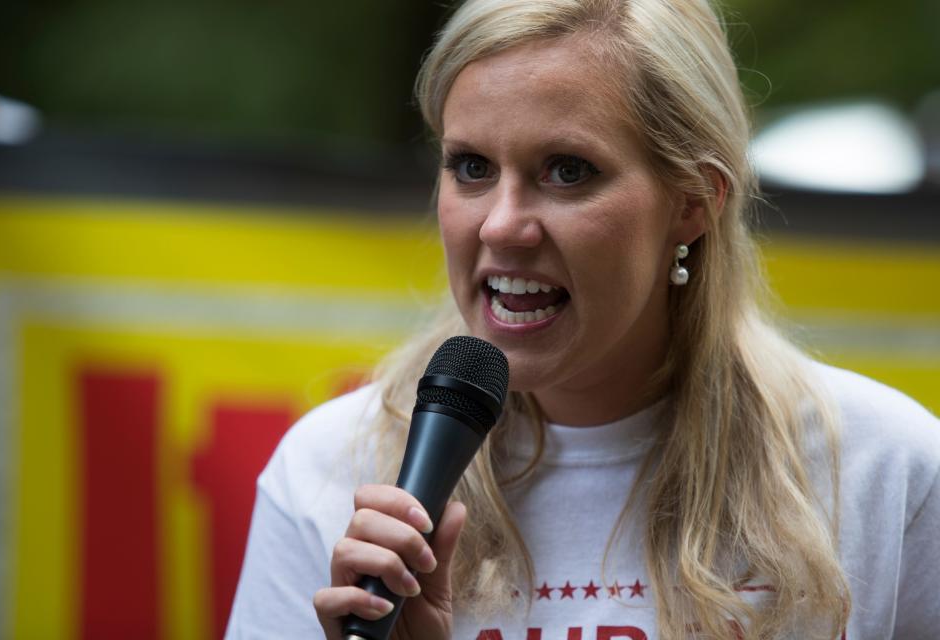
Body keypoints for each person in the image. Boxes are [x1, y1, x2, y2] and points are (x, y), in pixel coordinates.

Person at [225, 0, 940, 638]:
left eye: (567, 171)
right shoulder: (330, 471)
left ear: (693, 203)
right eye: (471, 167)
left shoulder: (886, 474)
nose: (503, 226)